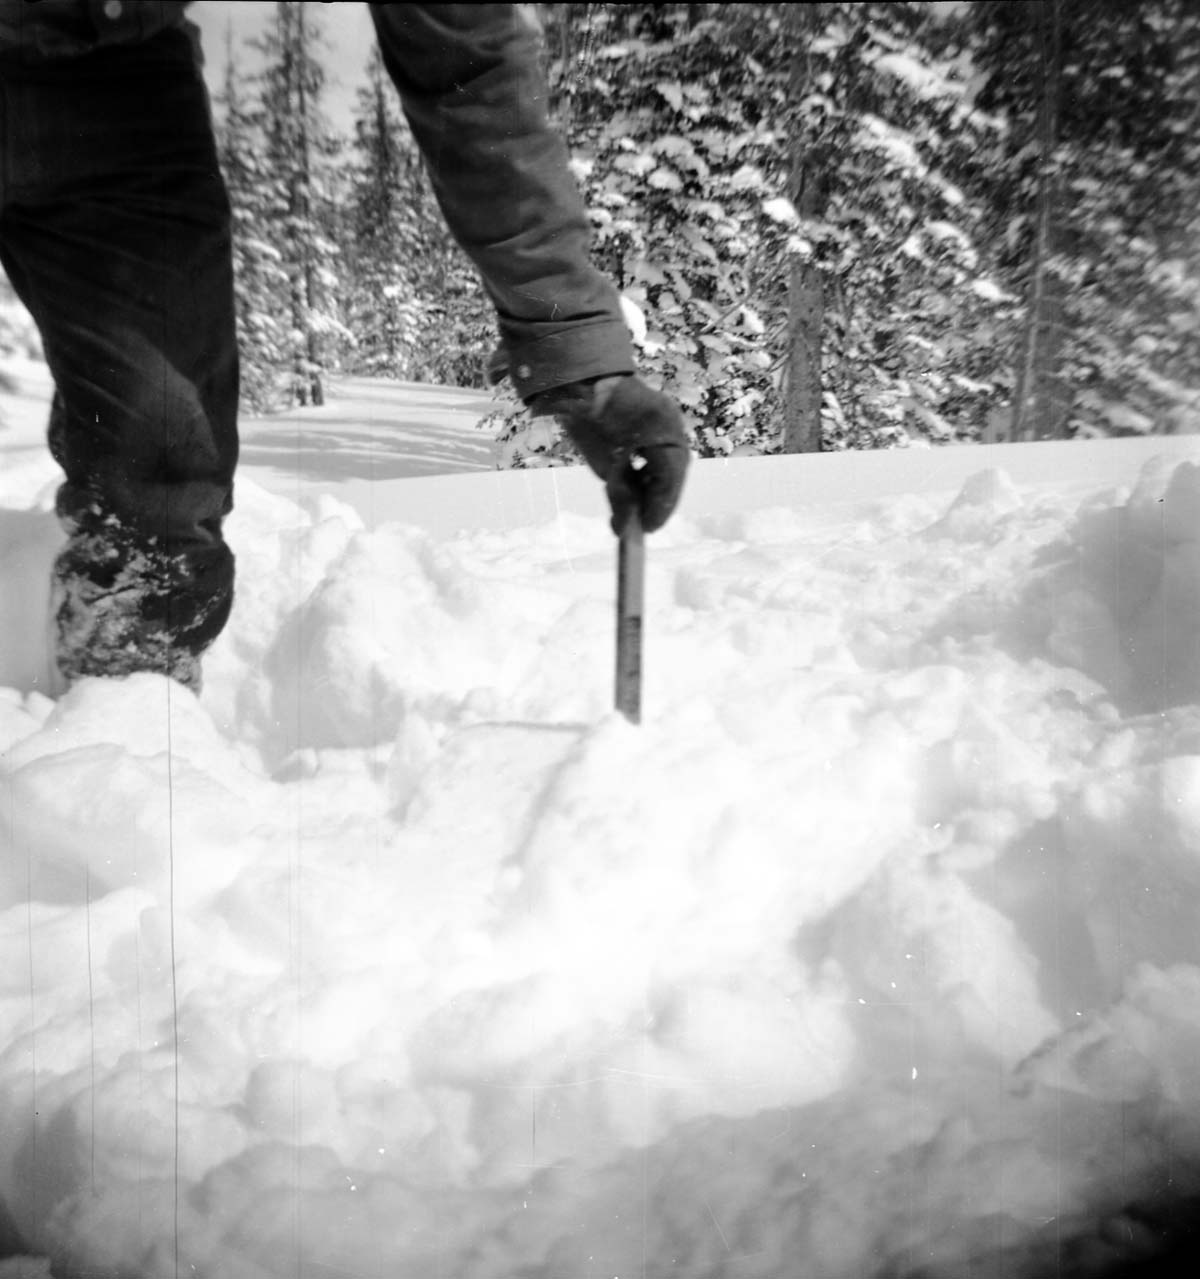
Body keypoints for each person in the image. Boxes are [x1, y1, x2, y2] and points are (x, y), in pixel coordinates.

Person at [0, 1, 690, 693]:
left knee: (161, 472)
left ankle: (125, 726)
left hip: (114, 81)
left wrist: (577, 348)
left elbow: (472, 64)